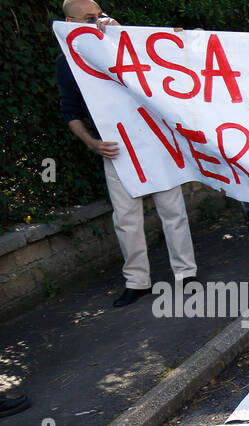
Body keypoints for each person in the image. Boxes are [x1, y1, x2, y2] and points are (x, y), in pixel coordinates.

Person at [57, 0, 197, 307]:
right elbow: (71, 111)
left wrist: (125, 36)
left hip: (154, 139)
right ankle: (137, 282)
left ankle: (186, 274)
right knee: (126, 217)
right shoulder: (67, 61)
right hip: (116, 147)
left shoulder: (124, 45)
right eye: (88, 19)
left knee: (172, 209)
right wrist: (92, 143)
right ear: (69, 22)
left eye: (100, 16)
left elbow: (160, 76)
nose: (97, 23)